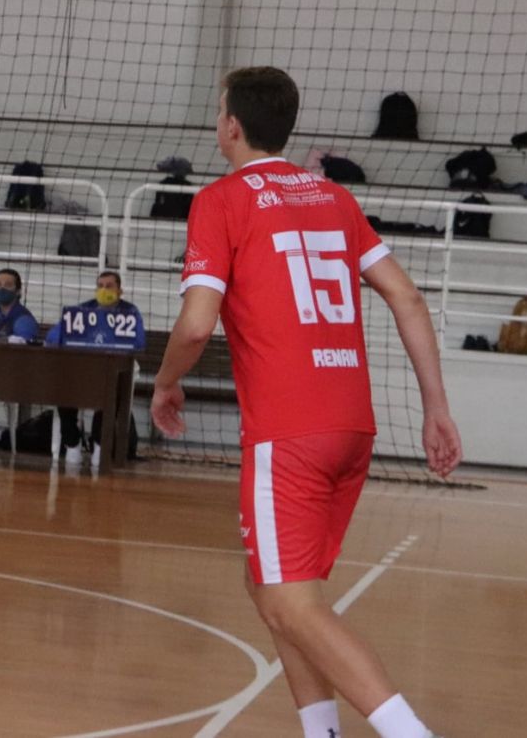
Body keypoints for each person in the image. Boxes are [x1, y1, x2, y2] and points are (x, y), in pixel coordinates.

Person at [151, 67, 460, 738]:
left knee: (291, 603)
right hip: (351, 424)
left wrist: (166, 379)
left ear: (231, 125)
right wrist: (436, 406)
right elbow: (406, 296)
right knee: (271, 591)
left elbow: (198, 322)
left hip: (288, 431)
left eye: (217, 109)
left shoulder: (221, 200)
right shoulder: (332, 197)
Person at [45, 270, 145, 468]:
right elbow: (54, 335)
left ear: (120, 291)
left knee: (111, 393)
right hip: (84, 370)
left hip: (115, 371)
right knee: (63, 388)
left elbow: (139, 342)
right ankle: (72, 444)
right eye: (100, 286)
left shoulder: (130, 313)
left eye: (109, 286)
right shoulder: (83, 310)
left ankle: (100, 445)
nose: (104, 290)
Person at [0, 268, 39, 341]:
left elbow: (25, 348)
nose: (2, 288)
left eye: (8, 285)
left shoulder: (24, 321)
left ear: (18, 291)